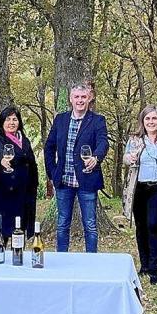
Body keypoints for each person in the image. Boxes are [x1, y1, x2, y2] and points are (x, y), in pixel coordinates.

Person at [44, 83, 109, 253]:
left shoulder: (97, 120)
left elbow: (103, 142)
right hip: (64, 181)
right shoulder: (61, 119)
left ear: (89, 98)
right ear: (71, 99)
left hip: (87, 180)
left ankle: (91, 262)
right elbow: (49, 146)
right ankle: (62, 260)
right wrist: (52, 172)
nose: (80, 100)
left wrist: (96, 157)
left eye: (83, 97)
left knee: (90, 224)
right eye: (77, 97)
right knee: (62, 223)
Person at [121, 106, 157, 284]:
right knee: (141, 226)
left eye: (154, 119)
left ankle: (155, 269)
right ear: (142, 121)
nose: (151, 122)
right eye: (148, 119)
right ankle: (144, 265)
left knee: (154, 224)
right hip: (139, 188)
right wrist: (129, 159)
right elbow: (125, 158)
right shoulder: (135, 140)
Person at [0, 106, 39, 241]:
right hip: (5, 194)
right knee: (3, 231)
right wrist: (2, 158)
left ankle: (18, 259)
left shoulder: (24, 140)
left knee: (20, 230)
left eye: (15, 119)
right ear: (2, 122)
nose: (11, 122)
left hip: (25, 193)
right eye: (8, 119)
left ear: (19, 122)